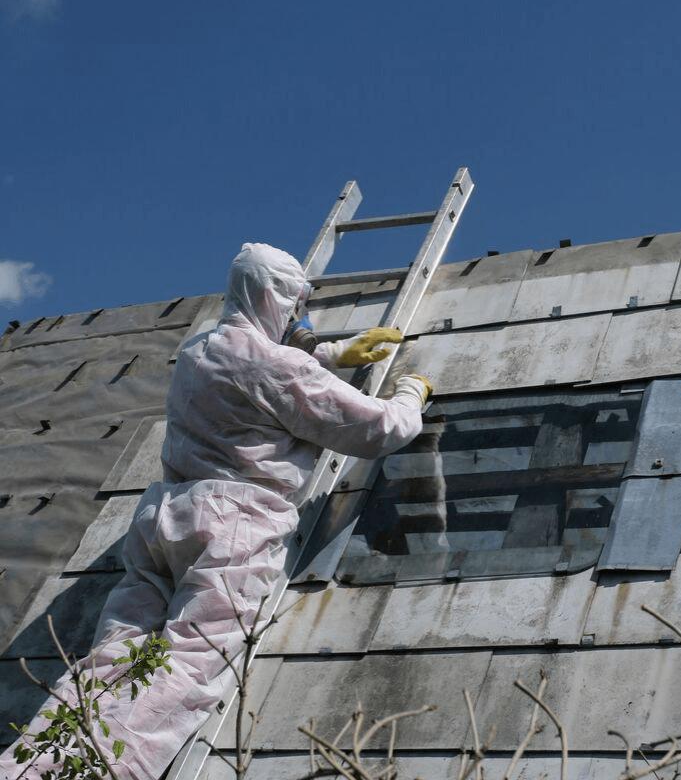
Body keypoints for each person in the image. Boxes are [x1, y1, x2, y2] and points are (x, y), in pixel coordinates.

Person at [1, 242, 431, 780]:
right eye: (296, 304)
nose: (299, 316)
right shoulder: (277, 367)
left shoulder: (197, 350)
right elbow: (377, 429)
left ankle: (31, 768)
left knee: (113, 657)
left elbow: (250, 373)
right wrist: (411, 393)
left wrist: (330, 354)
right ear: (278, 298)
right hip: (232, 522)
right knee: (192, 661)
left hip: (165, 518)